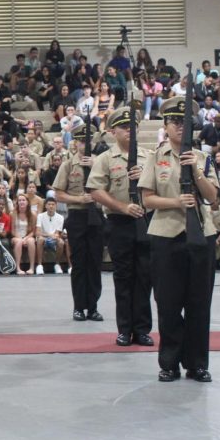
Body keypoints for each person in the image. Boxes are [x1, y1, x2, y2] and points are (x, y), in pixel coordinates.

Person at [139, 96, 219, 383]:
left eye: (185, 123)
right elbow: (147, 200)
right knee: (169, 303)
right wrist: (176, 201)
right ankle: (170, 362)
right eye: (174, 122)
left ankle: (197, 363)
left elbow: (212, 197)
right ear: (166, 125)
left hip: (201, 236)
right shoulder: (155, 157)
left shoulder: (204, 157)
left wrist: (196, 171)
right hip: (166, 236)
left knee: (199, 303)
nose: (180, 127)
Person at [87, 107, 154, 347]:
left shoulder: (150, 156)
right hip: (119, 222)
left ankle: (143, 329)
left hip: (146, 221)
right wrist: (122, 207)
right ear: (114, 131)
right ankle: (125, 329)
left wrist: (146, 175)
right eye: (125, 127)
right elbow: (95, 190)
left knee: (145, 277)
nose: (130, 131)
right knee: (124, 278)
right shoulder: (106, 158)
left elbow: (162, 185)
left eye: (133, 127)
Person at [53, 122, 104, 322]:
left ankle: (93, 307)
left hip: (97, 216)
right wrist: (78, 199)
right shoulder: (68, 165)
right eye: (81, 141)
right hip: (77, 217)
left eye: (88, 140)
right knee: (80, 264)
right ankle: (78, 307)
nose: (85, 145)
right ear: (75, 143)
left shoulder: (101, 162)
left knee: (95, 263)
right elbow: (58, 194)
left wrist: (95, 166)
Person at [35, 197, 65, 274]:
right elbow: (38, 232)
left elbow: (57, 233)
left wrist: (54, 236)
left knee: (61, 242)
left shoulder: (60, 217)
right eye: (49, 204)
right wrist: (49, 235)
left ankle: (57, 264)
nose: (51, 206)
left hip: (54, 239)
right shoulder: (40, 216)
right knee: (40, 239)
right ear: (45, 206)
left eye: (53, 204)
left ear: (56, 206)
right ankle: (39, 265)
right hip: (43, 238)